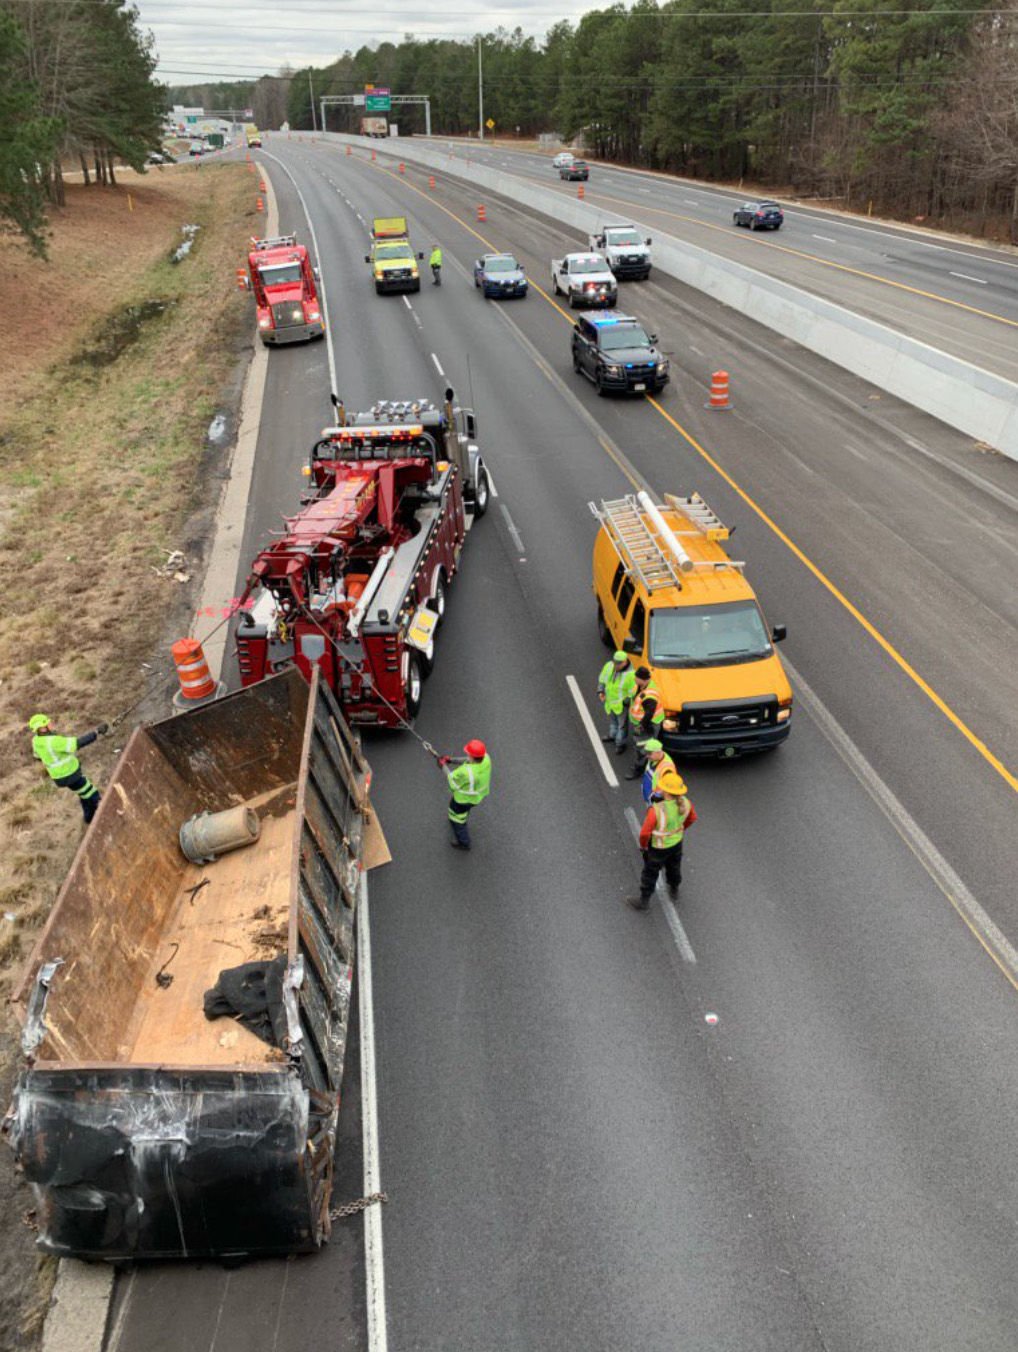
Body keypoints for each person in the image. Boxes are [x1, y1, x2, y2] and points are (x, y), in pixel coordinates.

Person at [627, 770, 697, 912]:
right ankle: (674, 889)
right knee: (674, 867)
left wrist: (643, 847)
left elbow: (645, 833)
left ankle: (644, 901)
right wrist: (678, 831)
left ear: (665, 791)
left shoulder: (656, 810)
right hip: (676, 843)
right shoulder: (686, 803)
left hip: (658, 847)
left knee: (650, 873)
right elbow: (691, 819)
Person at [29, 713, 110, 824]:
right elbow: (76, 744)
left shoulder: (36, 741)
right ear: (42, 728)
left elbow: (37, 757)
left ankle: (88, 819)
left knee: (83, 794)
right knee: (92, 794)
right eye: (48, 723)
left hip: (59, 777)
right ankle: (104, 817)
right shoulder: (53, 741)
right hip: (70, 775)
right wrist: (96, 732)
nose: (51, 723)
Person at [439, 738, 491, 850]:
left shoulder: (466, 772)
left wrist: (443, 766)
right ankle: (461, 818)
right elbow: (467, 760)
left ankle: (464, 842)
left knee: (457, 819)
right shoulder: (486, 758)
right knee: (462, 813)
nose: (466, 754)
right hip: (476, 797)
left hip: (463, 800)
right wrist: (451, 760)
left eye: (468, 753)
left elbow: (451, 780)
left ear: (472, 756)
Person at [625, 666, 665, 780]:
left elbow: (649, 713)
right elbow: (635, 697)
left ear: (643, 679)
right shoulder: (641, 686)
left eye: (636, 677)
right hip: (645, 723)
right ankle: (650, 765)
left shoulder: (650, 695)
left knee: (642, 748)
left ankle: (639, 769)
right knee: (647, 746)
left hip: (649, 725)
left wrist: (641, 726)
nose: (634, 679)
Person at [597, 650, 636, 755]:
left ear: (625, 662)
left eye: (619, 663)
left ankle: (620, 744)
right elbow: (602, 679)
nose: (616, 665)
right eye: (615, 662)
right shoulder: (610, 666)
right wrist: (601, 690)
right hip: (610, 703)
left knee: (622, 726)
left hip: (621, 706)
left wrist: (625, 703)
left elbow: (632, 692)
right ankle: (612, 735)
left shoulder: (631, 675)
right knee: (613, 722)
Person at [639, 739, 677, 804]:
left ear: (658, 752)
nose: (647, 756)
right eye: (646, 753)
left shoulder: (667, 768)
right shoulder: (654, 758)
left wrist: (655, 799)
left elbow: (669, 789)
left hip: (657, 801)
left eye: (649, 753)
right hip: (650, 796)